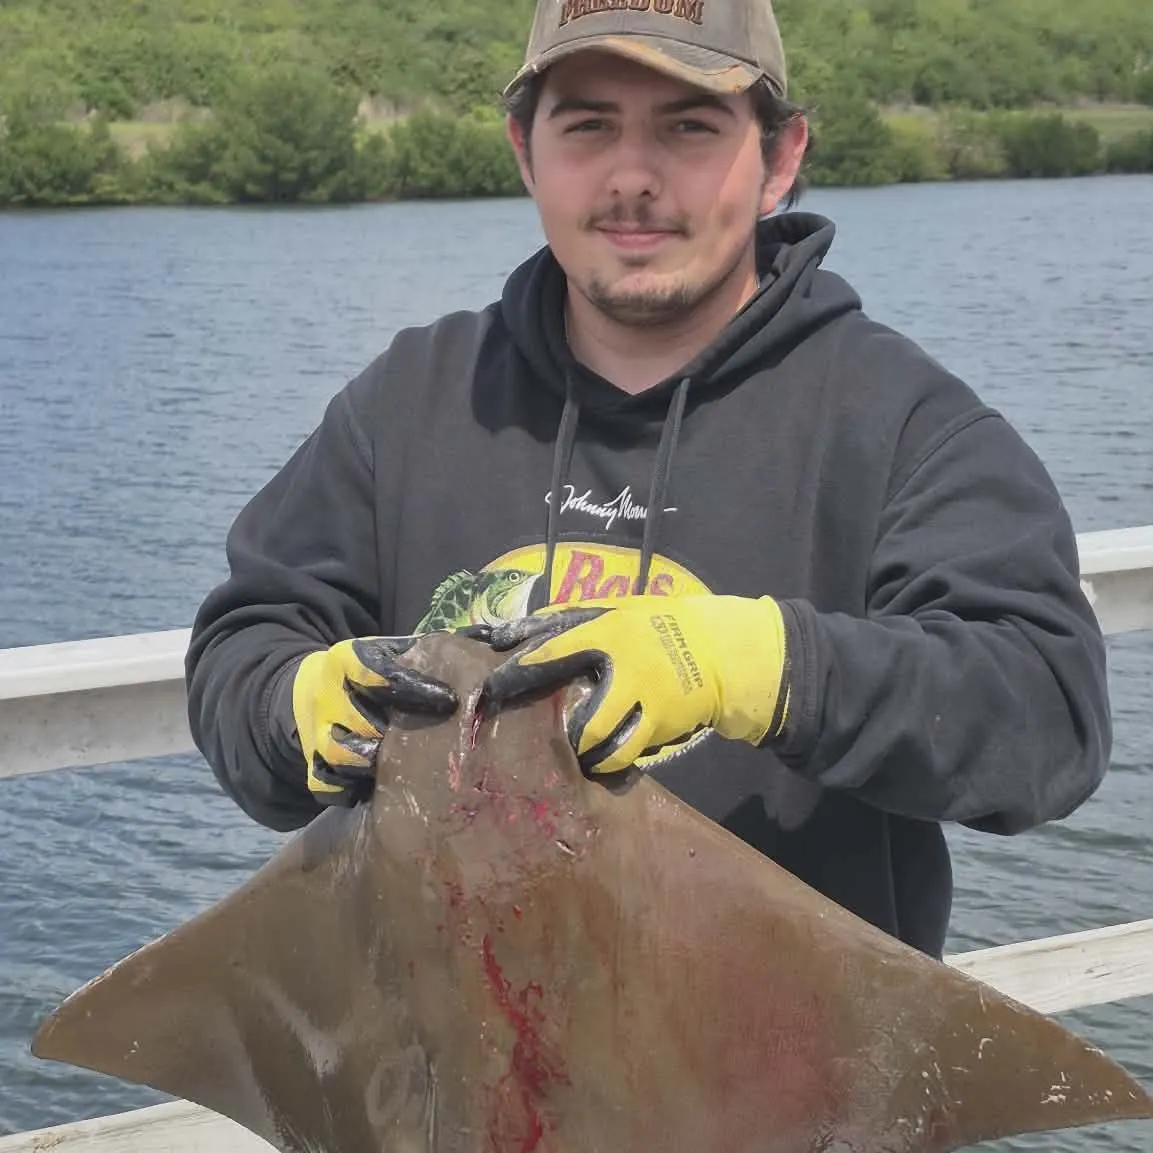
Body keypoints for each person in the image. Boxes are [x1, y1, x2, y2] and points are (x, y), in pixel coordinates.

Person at [185, 0, 1111, 960]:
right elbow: (244, 642)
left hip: (787, 1077)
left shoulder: (900, 421)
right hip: (454, 1067)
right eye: (587, 126)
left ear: (780, 158)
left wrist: (759, 667)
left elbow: (1047, 715)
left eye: (689, 126)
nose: (633, 176)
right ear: (523, 151)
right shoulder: (412, 398)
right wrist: (287, 707)